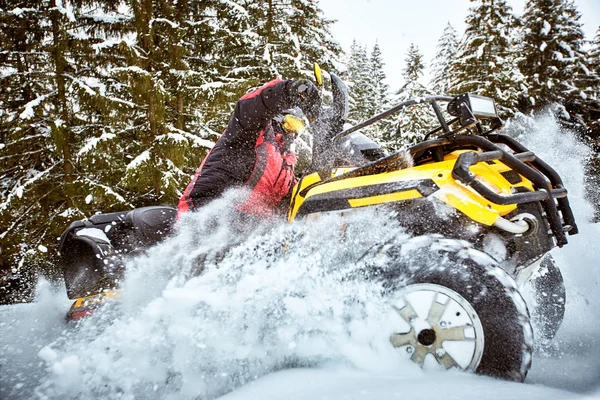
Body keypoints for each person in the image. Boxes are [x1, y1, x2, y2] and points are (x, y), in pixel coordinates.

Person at [178, 78, 321, 219]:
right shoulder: (249, 133)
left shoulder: (286, 171)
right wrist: (288, 90)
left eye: (299, 128)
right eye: (291, 123)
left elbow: (298, 199)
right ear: (277, 117)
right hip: (203, 212)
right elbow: (252, 108)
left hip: (246, 228)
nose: (293, 132)